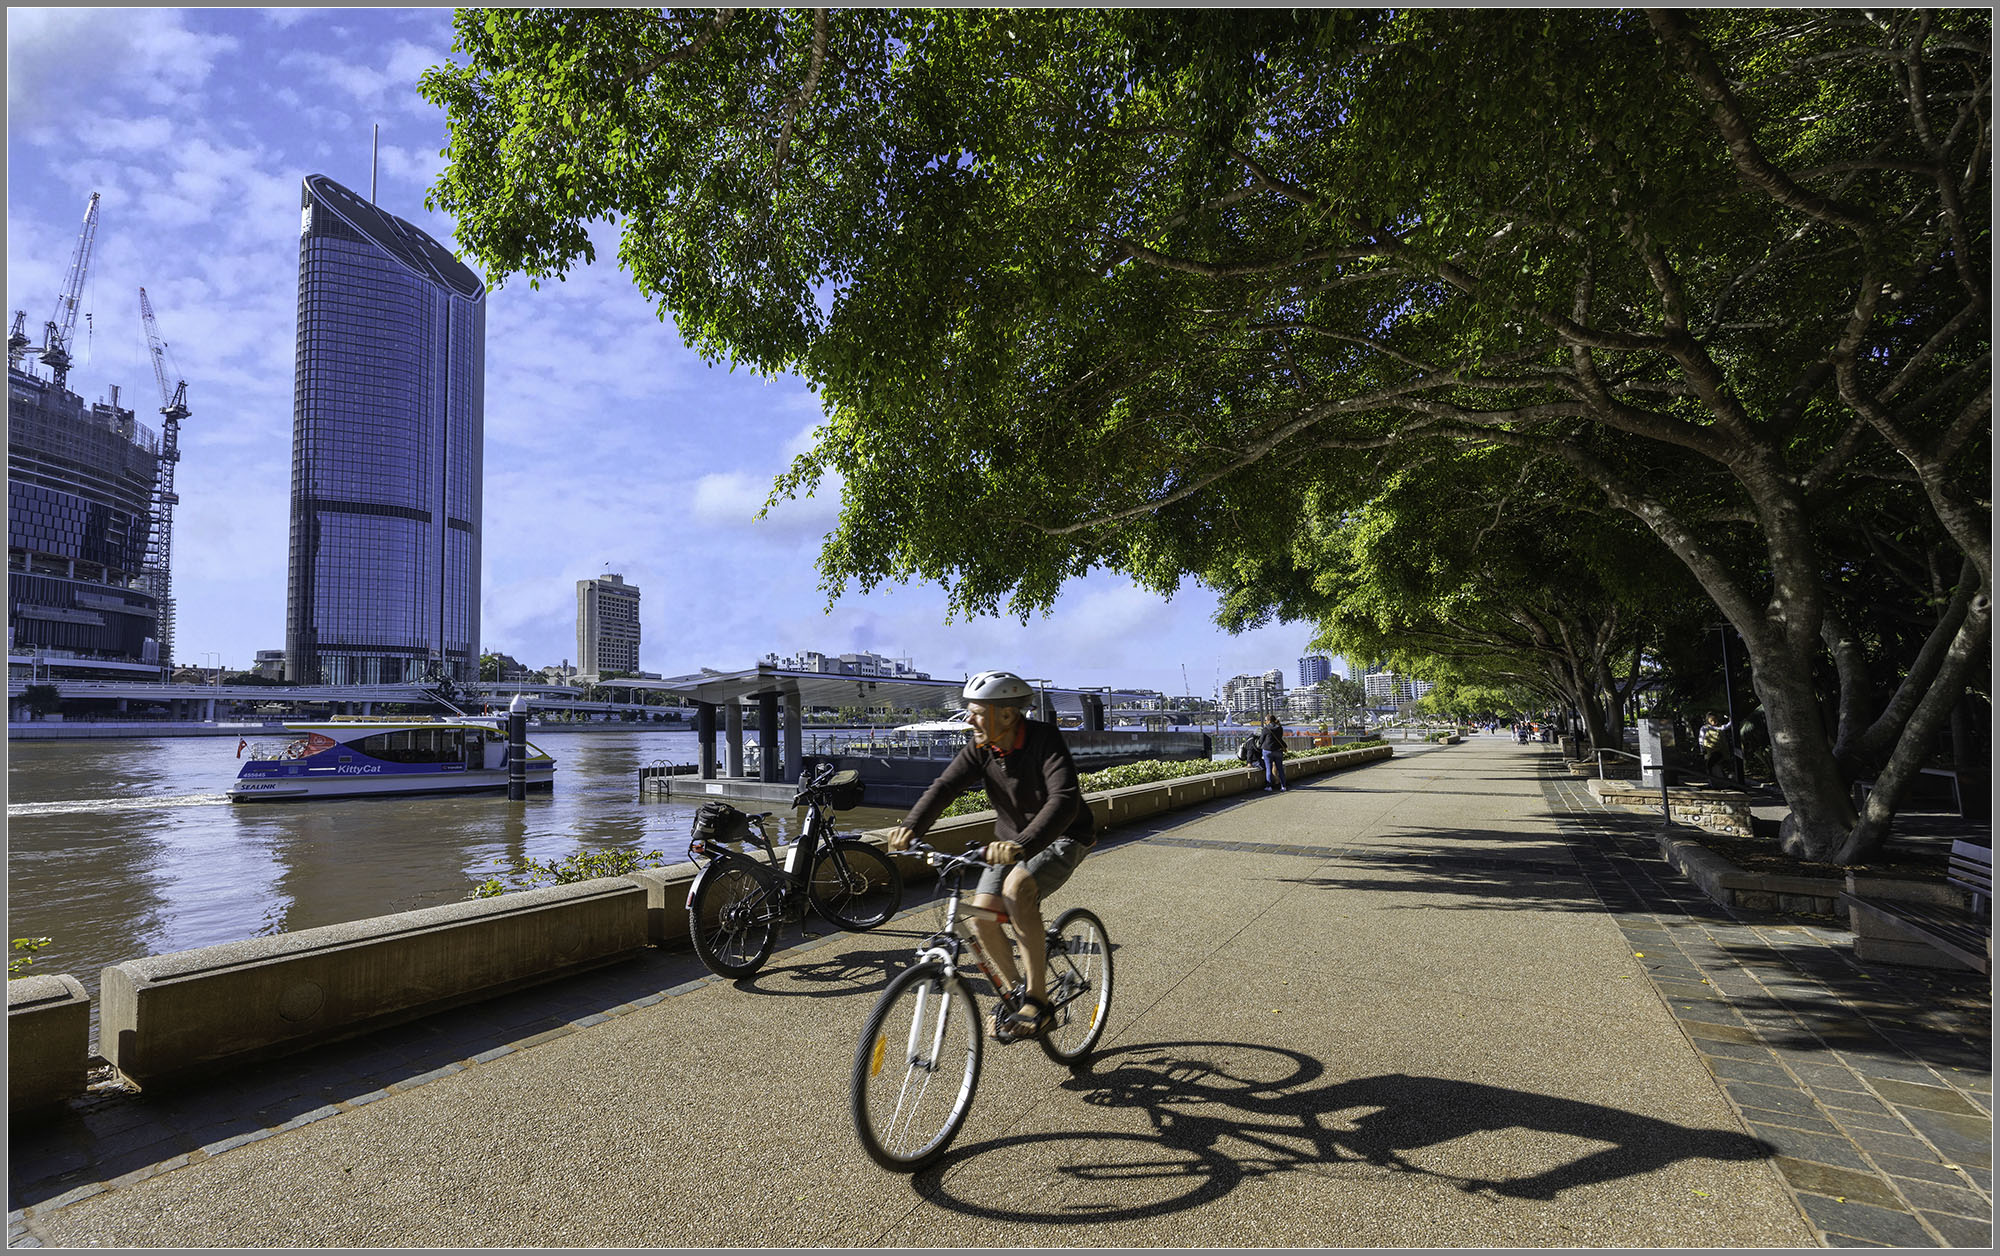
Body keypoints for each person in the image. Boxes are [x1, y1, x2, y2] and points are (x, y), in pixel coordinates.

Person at [885, 670, 1095, 1040]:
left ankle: (1039, 1002)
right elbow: (945, 786)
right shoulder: (983, 748)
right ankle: (1020, 991)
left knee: (1017, 892)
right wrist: (912, 828)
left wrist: (1023, 846)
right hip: (1011, 844)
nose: (969, 719)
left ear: (1008, 715)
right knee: (982, 916)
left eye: (977, 712)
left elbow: (1064, 800)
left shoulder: (1044, 740)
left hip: (1063, 835)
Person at [1699, 711, 1733, 781]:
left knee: (1722, 764)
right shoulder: (1705, 728)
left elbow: (1727, 726)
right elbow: (1701, 738)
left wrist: (1731, 718)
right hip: (1710, 750)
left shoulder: (1720, 727)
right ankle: (1712, 779)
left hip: (1721, 750)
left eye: (1715, 720)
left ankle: (1725, 779)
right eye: (1712, 720)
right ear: (1708, 721)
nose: (1714, 722)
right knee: (1710, 765)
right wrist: (1702, 749)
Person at [1259, 713, 1288, 792]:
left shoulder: (1266, 728)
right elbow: (1280, 738)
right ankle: (1283, 786)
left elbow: (1261, 740)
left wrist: (1260, 745)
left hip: (1267, 750)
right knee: (1280, 768)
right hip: (1278, 750)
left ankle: (1269, 786)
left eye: (1265, 720)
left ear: (1268, 720)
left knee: (1268, 768)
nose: (1265, 722)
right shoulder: (1279, 728)